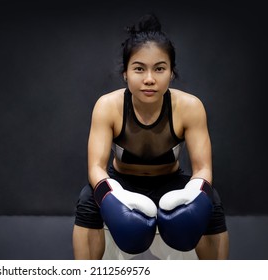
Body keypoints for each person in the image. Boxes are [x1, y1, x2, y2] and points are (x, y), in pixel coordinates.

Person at [72, 13, 229, 260]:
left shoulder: (190, 107)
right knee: (87, 200)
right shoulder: (108, 106)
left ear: (171, 72)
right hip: (121, 181)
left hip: (169, 182)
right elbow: (95, 168)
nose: (149, 79)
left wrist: (193, 195)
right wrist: (113, 197)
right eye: (138, 69)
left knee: (213, 202)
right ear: (125, 73)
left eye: (159, 69)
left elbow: (203, 169)